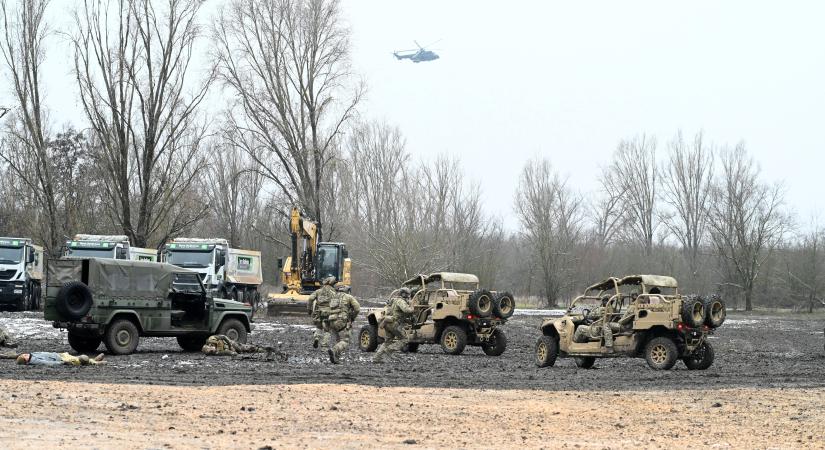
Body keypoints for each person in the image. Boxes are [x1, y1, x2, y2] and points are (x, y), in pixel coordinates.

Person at [373, 287, 415, 363]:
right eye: (407, 294)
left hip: (389, 324)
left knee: (387, 341)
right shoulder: (401, 301)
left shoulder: (395, 300)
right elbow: (407, 310)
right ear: (403, 294)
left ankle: (376, 358)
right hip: (394, 324)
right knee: (405, 339)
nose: (408, 296)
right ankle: (389, 349)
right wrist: (412, 307)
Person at [323, 283, 360, 364]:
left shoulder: (333, 297)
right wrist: (352, 317)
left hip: (331, 321)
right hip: (341, 321)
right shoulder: (348, 297)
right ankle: (334, 350)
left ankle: (336, 358)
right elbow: (357, 308)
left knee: (339, 340)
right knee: (346, 341)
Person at [308, 276, 338, 350]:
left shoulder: (318, 291)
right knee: (327, 330)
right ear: (332, 284)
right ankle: (324, 346)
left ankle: (317, 338)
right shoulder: (334, 293)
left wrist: (309, 309)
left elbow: (310, 299)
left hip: (318, 312)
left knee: (319, 327)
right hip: (329, 313)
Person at [201, 334, 276, 357]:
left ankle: (265, 349)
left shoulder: (212, 338)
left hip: (232, 344)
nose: (212, 351)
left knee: (245, 348)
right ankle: (264, 350)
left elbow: (223, 337)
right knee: (245, 350)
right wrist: (232, 352)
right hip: (231, 349)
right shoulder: (216, 352)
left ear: (209, 345)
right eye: (210, 352)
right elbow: (226, 352)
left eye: (211, 350)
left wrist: (231, 346)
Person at [16, 352, 105, 366]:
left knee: (76, 358)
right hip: (61, 359)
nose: (25, 354)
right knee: (81, 359)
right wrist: (62, 363)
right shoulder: (35, 360)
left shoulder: (32, 355)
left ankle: (94, 360)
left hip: (59, 355)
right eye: (24, 356)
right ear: (26, 360)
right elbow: (47, 363)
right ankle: (95, 362)